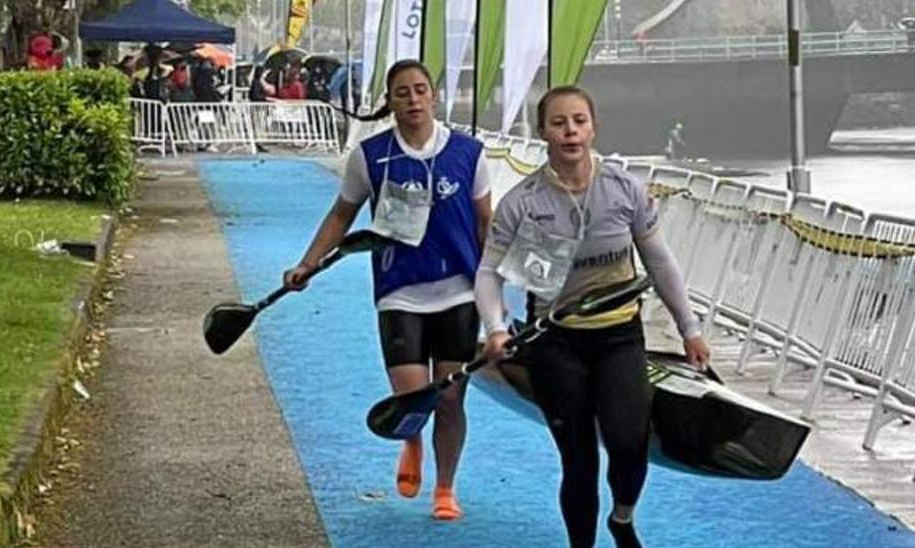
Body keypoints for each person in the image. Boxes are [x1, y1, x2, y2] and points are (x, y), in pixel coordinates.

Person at [476, 85, 711, 548]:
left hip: (619, 335)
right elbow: (488, 272)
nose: (570, 132)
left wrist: (690, 329)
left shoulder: (623, 188)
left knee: (628, 443)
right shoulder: (522, 202)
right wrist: (496, 329)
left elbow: (660, 263)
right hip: (556, 340)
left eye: (579, 121)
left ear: (593, 127)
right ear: (543, 131)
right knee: (579, 458)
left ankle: (622, 518)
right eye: (559, 123)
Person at [283, 59, 492, 521]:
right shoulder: (371, 156)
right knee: (413, 396)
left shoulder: (470, 153)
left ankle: (445, 488)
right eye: (403, 92)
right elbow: (342, 215)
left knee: (452, 396)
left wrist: (497, 289)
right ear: (390, 101)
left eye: (420, 90)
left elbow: (485, 225)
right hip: (399, 291)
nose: (413, 100)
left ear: (434, 96)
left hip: (459, 289)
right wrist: (307, 263)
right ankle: (412, 439)